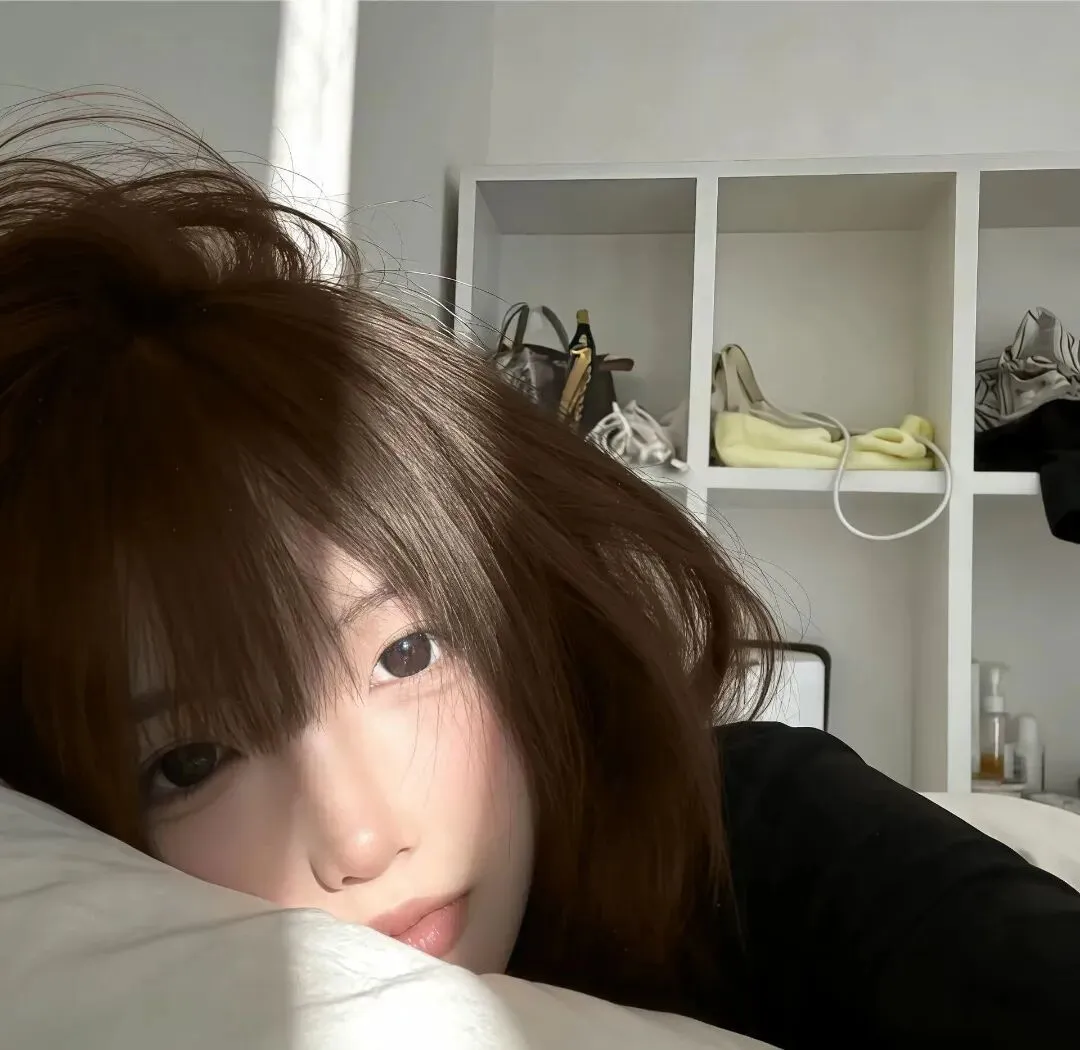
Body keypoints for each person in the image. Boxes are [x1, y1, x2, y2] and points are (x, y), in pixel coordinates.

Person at [0, 96, 1077, 1050]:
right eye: (192, 759)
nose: (360, 838)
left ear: (518, 614)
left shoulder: (757, 829)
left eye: (405, 653)